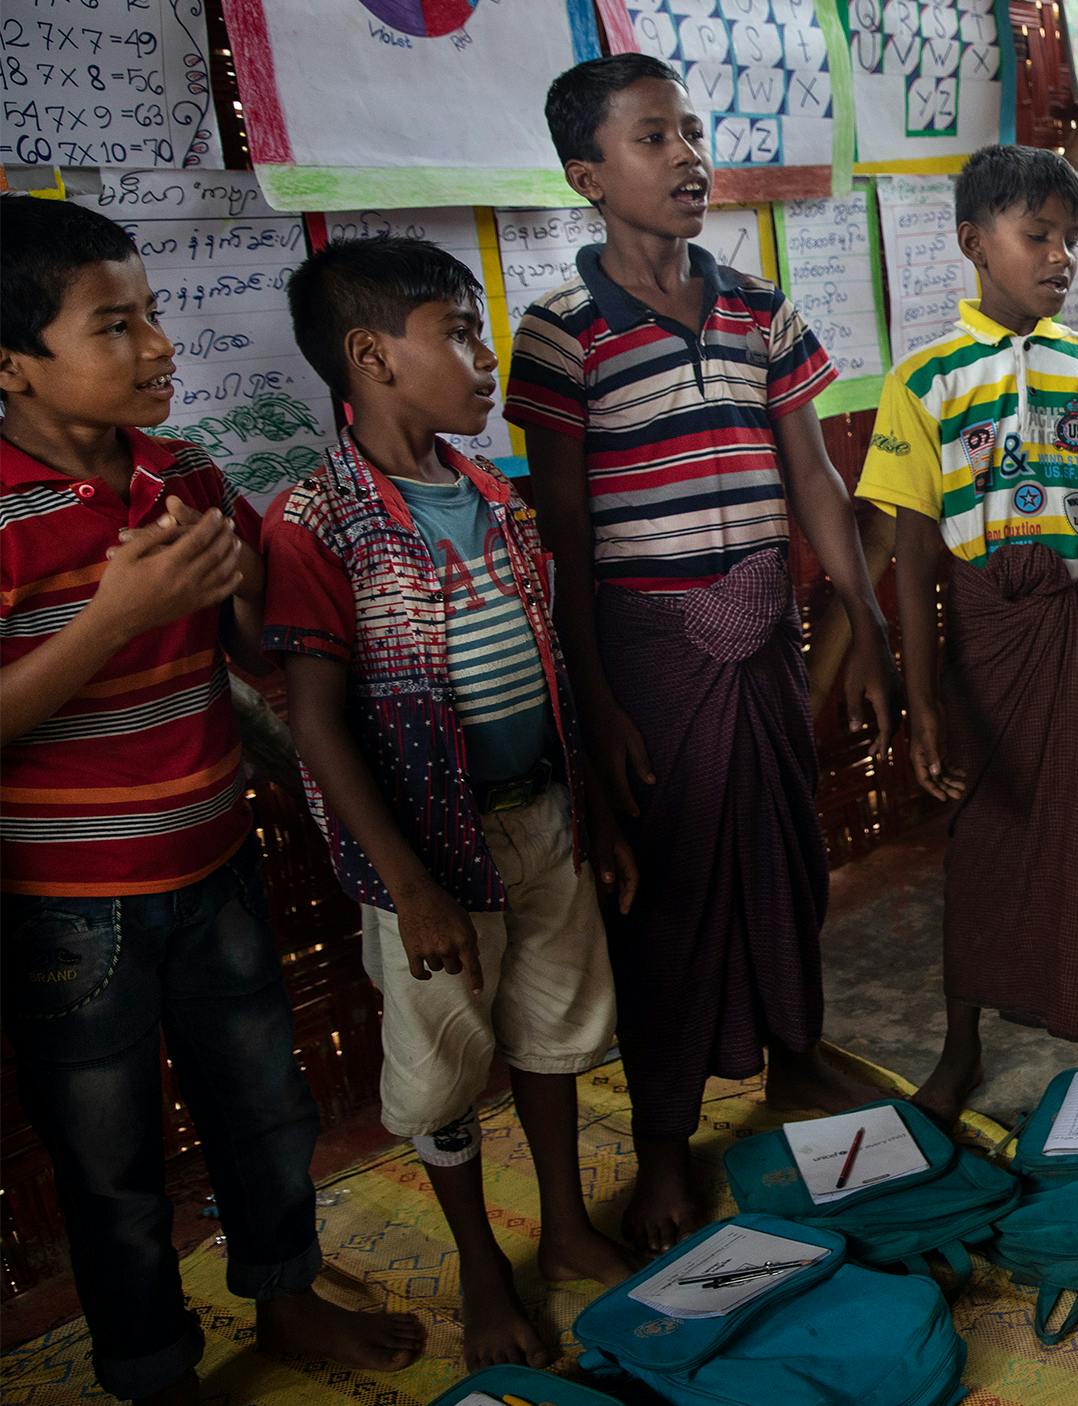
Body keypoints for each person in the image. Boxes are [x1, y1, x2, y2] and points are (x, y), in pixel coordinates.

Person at [0, 196, 423, 1402]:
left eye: (153, 316)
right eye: (113, 326)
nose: (158, 349)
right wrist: (114, 617)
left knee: (264, 1110)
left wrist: (240, 594)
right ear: (12, 363)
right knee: (111, 1162)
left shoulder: (181, 471)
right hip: (70, 909)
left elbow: (256, 639)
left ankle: (286, 1298)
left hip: (215, 859)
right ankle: (152, 1366)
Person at [504, 53, 898, 1251]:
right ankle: (668, 1136)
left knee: (785, 849)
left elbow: (816, 480)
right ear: (588, 176)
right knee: (667, 894)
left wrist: (864, 627)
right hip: (648, 643)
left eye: (689, 131)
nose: (686, 155)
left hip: (765, 627)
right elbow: (564, 537)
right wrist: (596, 697)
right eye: (649, 138)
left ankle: (791, 1052)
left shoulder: (758, 306)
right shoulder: (561, 335)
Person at [262, 237, 639, 1368]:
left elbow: (551, 669)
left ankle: (565, 1224)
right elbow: (317, 720)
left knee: (553, 1029)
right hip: (427, 855)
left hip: (539, 820)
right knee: (442, 1069)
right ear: (372, 356)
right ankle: (483, 1263)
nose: (487, 357)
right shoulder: (318, 520)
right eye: (459, 332)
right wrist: (410, 883)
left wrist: (593, 816)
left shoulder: (492, 492)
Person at [856, 145, 1078, 1122]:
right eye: (1037, 235)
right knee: (986, 838)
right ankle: (962, 1041)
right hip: (991, 641)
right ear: (972, 242)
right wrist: (920, 699)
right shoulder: (924, 382)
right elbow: (914, 561)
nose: (1060, 256)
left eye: (1069, 239)